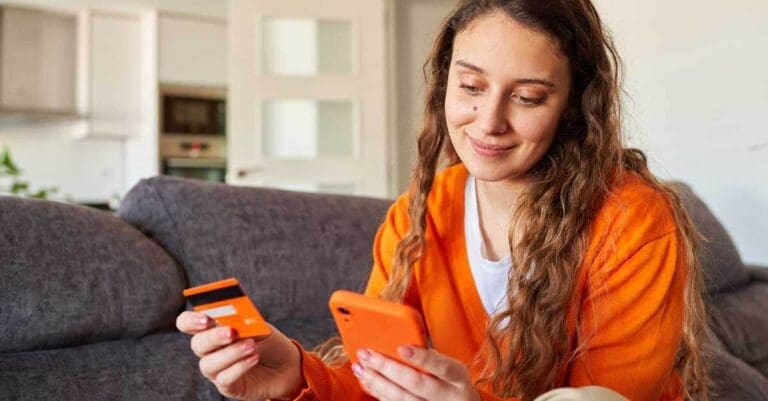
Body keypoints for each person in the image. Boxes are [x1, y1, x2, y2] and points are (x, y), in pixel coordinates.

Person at [176, 1, 711, 400]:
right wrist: (293, 372)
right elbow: (377, 380)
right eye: (471, 86)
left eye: (527, 98)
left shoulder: (633, 222)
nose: (490, 122)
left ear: (573, 107)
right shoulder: (419, 214)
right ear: (444, 85)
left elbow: (611, 397)